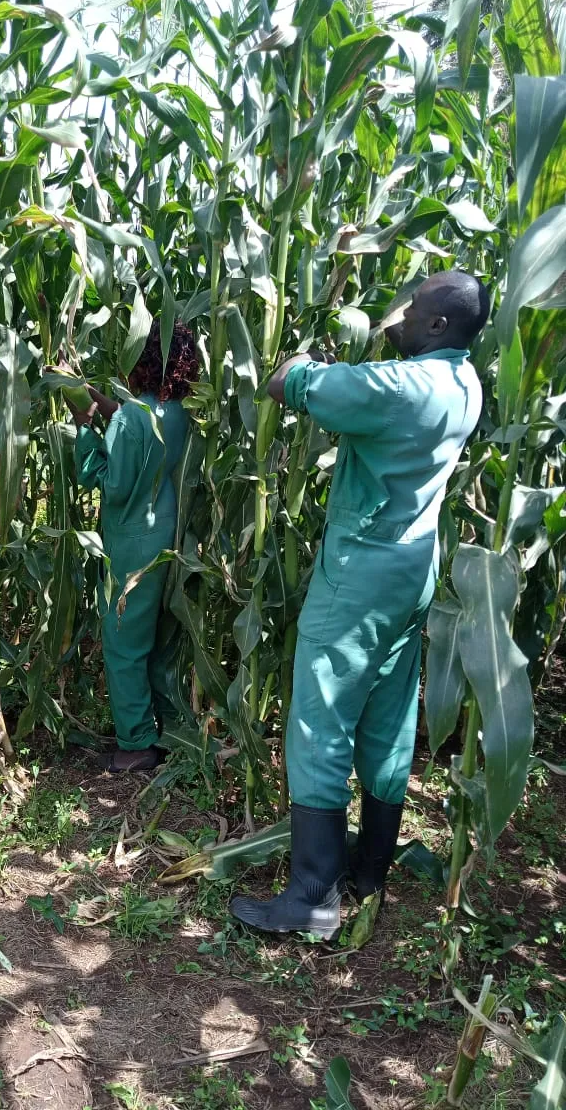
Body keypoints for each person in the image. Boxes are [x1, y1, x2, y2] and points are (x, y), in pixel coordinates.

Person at [230, 271, 488, 940]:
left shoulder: (398, 388)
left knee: (320, 721)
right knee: (389, 716)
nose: (398, 311)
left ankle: (312, 894)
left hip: (360, 573)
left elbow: (288, 381)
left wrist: (321, 346)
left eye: (413, 306)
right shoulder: (465, 384)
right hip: (412, 571)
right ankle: (369, 870)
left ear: (435, 326)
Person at [68, 320, 200, 773]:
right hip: (167, 538)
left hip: (132, 545)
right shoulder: (179, 411)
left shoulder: (130, 418)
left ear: (138, 359)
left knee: (123, 643)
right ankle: (169, 726)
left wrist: (83, 424)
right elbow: (136, 429)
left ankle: (137, 742)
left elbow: (108, 478)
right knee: (154, 641)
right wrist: (102, 402)